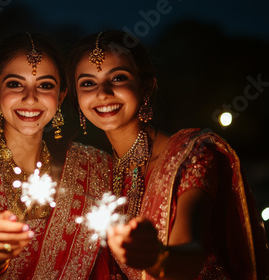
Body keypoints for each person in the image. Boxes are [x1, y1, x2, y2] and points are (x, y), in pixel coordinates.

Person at [69, 30, 269, 279]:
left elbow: (190, 253)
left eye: (118, 78)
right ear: (77, 98)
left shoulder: (190, 154)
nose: (102, 92)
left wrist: (155, 257)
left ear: (147, 86)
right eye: (88, 83)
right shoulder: (97, 174)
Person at [0, 33, 111, 279]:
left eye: (44, 85)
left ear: (61, 96)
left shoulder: (89, 164)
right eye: (15, 84)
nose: (30, 98)